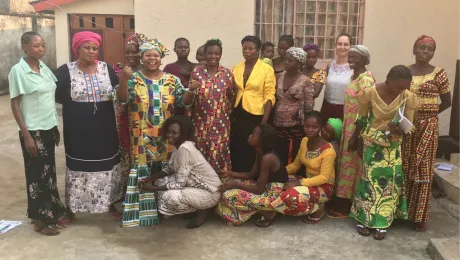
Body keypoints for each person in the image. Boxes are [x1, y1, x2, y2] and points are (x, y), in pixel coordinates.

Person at [116, 38, 195, 227]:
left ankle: (164, 209)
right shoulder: (134, 78)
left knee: (164, 168)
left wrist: (191, 91)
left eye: (156, 55)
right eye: (148, 55)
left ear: (161, 58)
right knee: (142, 168)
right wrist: (124, 79)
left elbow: (183, 102)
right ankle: (141, 213)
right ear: (142, 58)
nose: (152, 58)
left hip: (166, 138)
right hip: (140, 137)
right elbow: (122, 100)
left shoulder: (171, 80)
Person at [55, 31, 122, 218]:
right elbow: (57, 95)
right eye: (87, 47)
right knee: (78, 165)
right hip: (77, 128)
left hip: (104, 127)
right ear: (77, 48)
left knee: (106, 163)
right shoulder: (64, 71)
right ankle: (73, 208)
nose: (92, 51)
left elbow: (116, 92)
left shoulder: (107, 69)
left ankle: (108, 204)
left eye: (95, 48)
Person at [9, 32, 71, 236]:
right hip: (32, 130)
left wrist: (55, 127)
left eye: (43, 45)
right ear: (24, 47)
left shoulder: (44, 68)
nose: (41, 49)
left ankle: (51, 211)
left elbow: (49, 97)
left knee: (49, 173)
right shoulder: (18, 71)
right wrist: (26, 135)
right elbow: (16, 104)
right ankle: (39, 219)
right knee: (37, 175)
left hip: (48, 127)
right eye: (36, 45)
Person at [349, 65, 417, 240]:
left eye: (406, 87)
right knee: (368, 180)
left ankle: (382, 222)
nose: (403, 90)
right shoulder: (369, 93)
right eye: (399, 87)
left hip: (393, 146)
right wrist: (354, 138)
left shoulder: (408, 97)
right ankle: (364, 219)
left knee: (388, 184)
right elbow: (362, 118)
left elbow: (408, 124)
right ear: (388, 80)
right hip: (371, 144)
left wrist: (399, 130)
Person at [402, 35, 452, 232]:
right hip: (407, 125)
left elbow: (447, 101)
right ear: (414, 50)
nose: (425, 51)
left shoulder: (438, 74)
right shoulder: (406, 72)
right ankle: (402, 211)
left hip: (428, 126)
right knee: (405, 164)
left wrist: (430, 114)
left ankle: (419, 216)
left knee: (423, 167)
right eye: (421, 47)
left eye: (430, 49)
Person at [138, 116, 222, 229]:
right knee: (160, 181)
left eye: (174, 133)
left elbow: (179, 184)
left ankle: (204, 210)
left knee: (170, 196)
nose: (169, 135)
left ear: (183, 134)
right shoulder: (178, 146)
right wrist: (151, 178)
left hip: (210, 193)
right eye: (168, 131)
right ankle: (198, 207)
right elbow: (170, 168)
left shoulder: (185, 148)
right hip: (199, 189)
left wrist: (151, 189)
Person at [328, 45, 375, 218]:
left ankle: (352, 205)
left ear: (365, 59)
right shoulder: (353, 77)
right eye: (351, 56)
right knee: (347, 165)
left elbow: (366, 110)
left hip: (357, 128)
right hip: (348, 127)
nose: (352, 59)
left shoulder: (366, 79)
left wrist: (356, 135)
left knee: (354, 167)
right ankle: (344, 201)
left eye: (356, 56)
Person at [217, 124, 289, 227]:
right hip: (264, 188)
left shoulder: (268, 158)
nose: (250, 136)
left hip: (272, 196)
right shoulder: (260, 153)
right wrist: (229, 173)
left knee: (227, 196)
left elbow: (259, 189)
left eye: (253, 134)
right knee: (225, 181)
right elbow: (251, 175)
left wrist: (236, 185)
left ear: (262, 140)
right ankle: (252, 211)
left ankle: (267, 212)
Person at [271, 111, 336, 223]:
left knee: (290, 197)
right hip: (306, 182)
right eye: (307, 126)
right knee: (276, 185)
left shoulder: (328, 151)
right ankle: (273, 207)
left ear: (321, 128)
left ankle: (317, 209)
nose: (310, 130)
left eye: (314, 127)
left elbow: (323, 178)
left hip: (324, 187)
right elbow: (296, 164)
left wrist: (298, 183)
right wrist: (278, 172)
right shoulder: (305, 141)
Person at [189, 39, 236, 171]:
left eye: (217, 53)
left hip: (221, 125)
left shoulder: (227, 74)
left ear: (220, 54)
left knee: (219, 156)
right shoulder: (197, 73)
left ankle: (220, 188)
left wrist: (223, 116)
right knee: (200, 157)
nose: (213, 56)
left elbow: (232, 97)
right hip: (200, 124)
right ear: (205, 54)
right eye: (210, 53)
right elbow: (190, 99)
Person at [230, 35, 276, 172]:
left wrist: (264, 121)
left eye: (251, 48)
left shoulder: (266, 69)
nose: (247, 51)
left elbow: (269, 95)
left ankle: (251, 175)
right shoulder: (236, 68)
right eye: (244, 48)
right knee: (238, 144)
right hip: (238, 111)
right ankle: (238, 173)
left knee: (253, 146)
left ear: (258, 50)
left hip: (256, 113)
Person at [113, 33, 148, 200]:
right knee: (125, 155)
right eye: (127, 52)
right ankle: (127, 192)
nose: (130, 55)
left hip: (143, 121)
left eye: (134, 52)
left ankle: (144, 191)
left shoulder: (148, 71)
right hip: (123, 120)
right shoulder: (118, 71)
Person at [273, 47, 314, 166]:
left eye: (291, 61)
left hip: (296, 125)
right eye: (286, 59)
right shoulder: (279, 77)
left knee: (293, 154)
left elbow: (309, 106)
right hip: (278, 123)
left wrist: (307, 125)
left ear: (299, 64)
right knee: (279, 151)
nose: (286, 62)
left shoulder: (305, 81)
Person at [320, 33, 353, 120]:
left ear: (350, 47)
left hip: (345, 110)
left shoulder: (353, 68)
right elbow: (326, 89)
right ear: (335, 46)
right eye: (339, 44)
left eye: (346, 44)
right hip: (328, 107)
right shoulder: (329, 65)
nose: (342, 47)